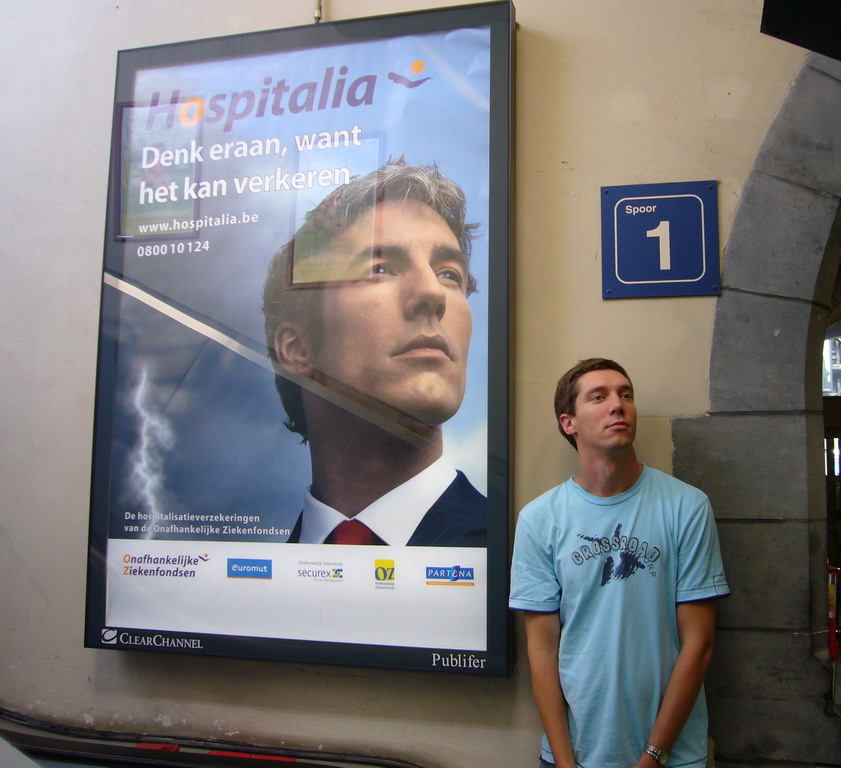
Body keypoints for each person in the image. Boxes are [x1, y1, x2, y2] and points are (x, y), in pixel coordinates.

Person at [509, 358, 730, 768]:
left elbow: (698, 644)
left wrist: (653, 756)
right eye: (599, 396)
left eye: (625, 394)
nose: (618, 405)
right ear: (568, 422)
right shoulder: (540, 519)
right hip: (574, 753)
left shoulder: (686, 506)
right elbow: (541, 650)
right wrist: (563, 761)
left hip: (671, 756)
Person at [262, 159, 486, 547]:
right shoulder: (254, 587)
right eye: (381, 267)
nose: (433, 293)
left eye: (449, 274)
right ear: (297, 348)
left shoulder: (521, 554)